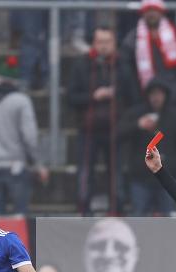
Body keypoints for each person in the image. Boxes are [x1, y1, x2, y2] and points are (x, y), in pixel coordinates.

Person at [120, 0, 176, 190]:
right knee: (145, 153)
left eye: (155, 10)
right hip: (145, 106)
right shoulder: (132, 39)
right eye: (148, 10)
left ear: (162, 12)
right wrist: (140, 98)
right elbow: (126, 73)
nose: (152, 14)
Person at [0, 56, 47, 215]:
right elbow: (29, 137)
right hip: (17, 167)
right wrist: (38, 164)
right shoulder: (22, 102)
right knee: (20, 217)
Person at [117, 77, 176, 216]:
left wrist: (173, 164)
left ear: (165, 95)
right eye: (153, 94)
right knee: (139, 216)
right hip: (140, 177)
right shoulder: (136, 113)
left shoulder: (175, 117)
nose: (156, 98)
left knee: (167, 216)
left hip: (166, 178)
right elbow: (118, 134)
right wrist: (137, 125)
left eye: (159, 94)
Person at [67, 26, 120, 216]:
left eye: (108, 42)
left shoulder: (121, 64)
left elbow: (132, 95)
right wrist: (93, 96)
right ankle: (84, 209)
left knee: (115, 174)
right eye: (100, 42)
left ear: (114, 43)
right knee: (85, 172)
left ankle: (116, 210)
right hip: (88, 129)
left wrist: (117, 95)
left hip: (116, 130)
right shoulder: (82, 64)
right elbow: (71, 97)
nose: (104, 46)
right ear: (94, 43)